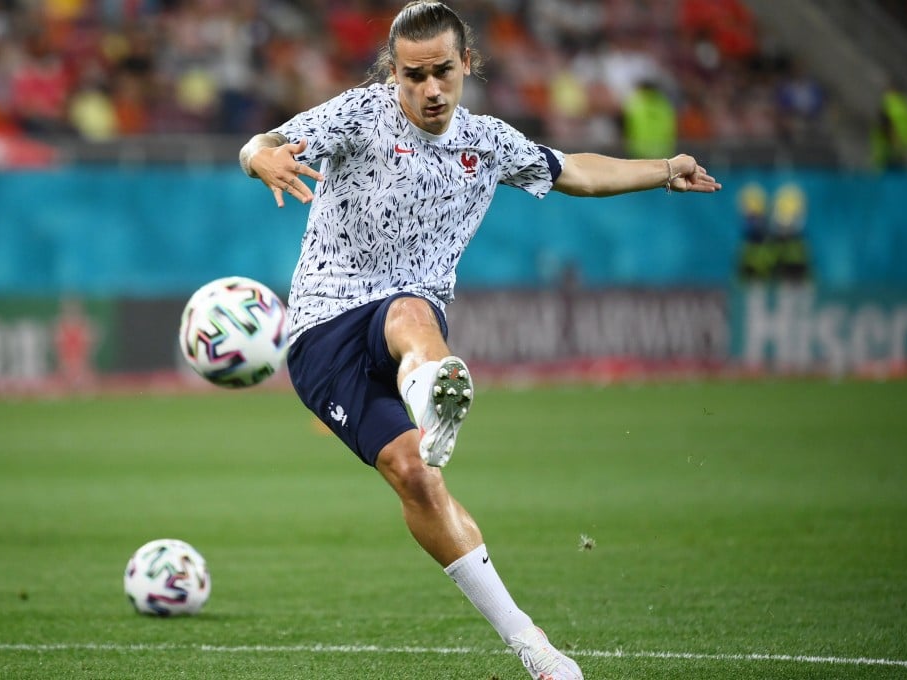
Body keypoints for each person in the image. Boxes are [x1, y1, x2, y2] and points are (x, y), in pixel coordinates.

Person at [238, 3, 721, 678]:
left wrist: (665, 167)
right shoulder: (358, 114)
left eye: (442, 71)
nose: (431, 89)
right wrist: (259, 156)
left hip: (411, 323)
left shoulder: (487, 142)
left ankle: (537, 651)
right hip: (323, 331)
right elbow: (262, 142)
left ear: (467, 64)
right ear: (393, 73)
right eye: (414, 76)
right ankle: (432, 393)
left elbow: (575, 171)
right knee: (411, 374)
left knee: (418, 469)